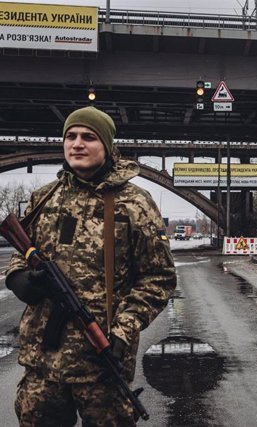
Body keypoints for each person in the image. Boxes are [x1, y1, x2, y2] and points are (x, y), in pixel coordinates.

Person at [4, 106, 177, 426]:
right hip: (42, 367)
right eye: (70, 136)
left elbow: (159, 278)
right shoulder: (45, 198)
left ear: (108, 146)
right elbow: (22, 248)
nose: (77, 144)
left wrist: (123, 330)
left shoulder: (134, 203)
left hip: (102, 366)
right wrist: (18, 277)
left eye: (88, 137)